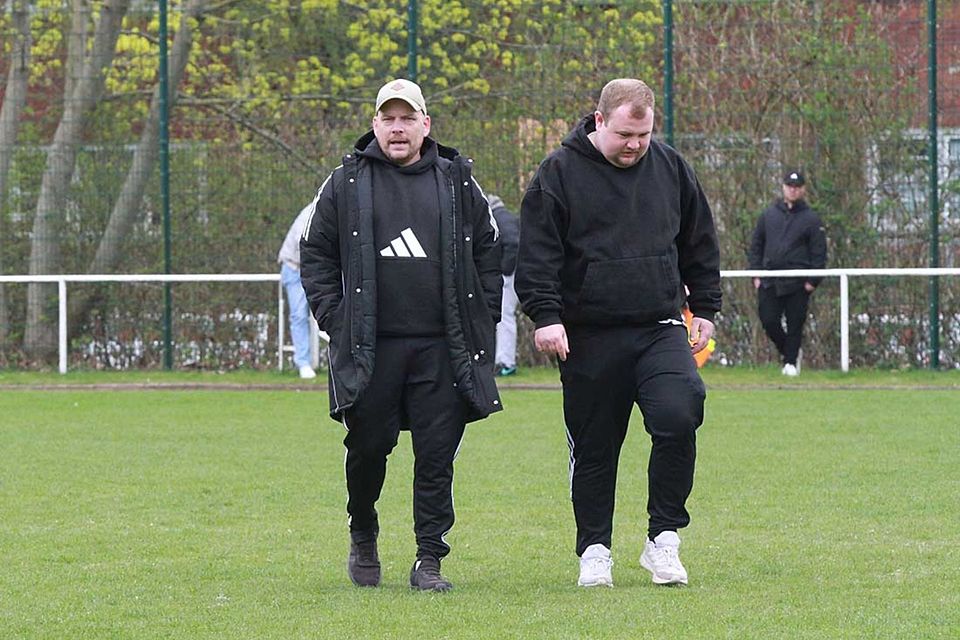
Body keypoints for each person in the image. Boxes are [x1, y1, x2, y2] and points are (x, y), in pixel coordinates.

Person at [299, 78, 503, 592]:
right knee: (368, 447)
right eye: (387, 118)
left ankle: (429, 559)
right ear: (374, 125)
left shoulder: (458, 179)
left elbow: (491, 250)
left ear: (425, 125)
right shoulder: (345, 181)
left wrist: (485, 317)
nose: (397, 127)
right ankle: (363, 531)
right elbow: (315, 254)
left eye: (407, 118)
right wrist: (337, 320)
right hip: (371, 348)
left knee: (436, 456)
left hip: (443, 347)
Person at [516, 78, 721, 588]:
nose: (634, 145)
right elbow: (537, 256)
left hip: (659, 327)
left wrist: (707, 309)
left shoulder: (671, 169)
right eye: (626, 134)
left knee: (681, 411)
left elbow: (700, 243)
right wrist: (546, 317)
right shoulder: (557, 174)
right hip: (588, 336)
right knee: (595, 448)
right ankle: (594, 549)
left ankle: (664, 539)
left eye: (644, 135)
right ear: (600, 120)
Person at [748, 170, 827, 377]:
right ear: (783, 187)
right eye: (789, 186)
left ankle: (791, 363)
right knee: (769, 320)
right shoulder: (768, 215)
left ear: (803, 189)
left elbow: (819, 252)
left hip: (797, 282)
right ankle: (789, 353)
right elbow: (756, 245)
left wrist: (812, 280)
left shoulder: (811, 219)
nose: (793, 190)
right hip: (769, 280)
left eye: (797, 187)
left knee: (795, 324)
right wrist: (756, 274)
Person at [278, 196, 321, 379]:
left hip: (316, 269)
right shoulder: (311, 213)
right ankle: (303, 363)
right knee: (298, 315)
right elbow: (303, 242)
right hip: (294, 268)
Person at [488, 194, 520, 377]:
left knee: (504, 316)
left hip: (510, 274)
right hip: (514, 272)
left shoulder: (500, 218)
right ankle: (503, 359)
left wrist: (504, 272)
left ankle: (506, 362)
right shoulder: (507, 217)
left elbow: (513, 244)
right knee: (504, 317)